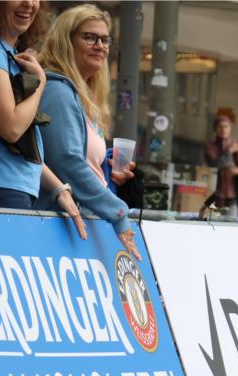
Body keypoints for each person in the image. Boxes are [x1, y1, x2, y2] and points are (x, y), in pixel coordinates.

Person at [0, 0, 82, 232]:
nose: (29, 4)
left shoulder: (8, 53)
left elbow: (22, 146)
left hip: (12, 190)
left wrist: (59, 189)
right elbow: (12, 128)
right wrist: (40, 83)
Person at [37, 4, 141, 259]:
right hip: (57, 225)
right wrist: (117, 211)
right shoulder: (58, 92)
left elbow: (78, 156)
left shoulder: (80, 94)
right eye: (90, 37)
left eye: (105, 40)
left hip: (76, 223)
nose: (101, 46)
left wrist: (106, 165)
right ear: (66, 42)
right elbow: (67, 161)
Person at [204, 115, 238, 217]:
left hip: (234, 197)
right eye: (220, 127)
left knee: (231, 225)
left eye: (226, 127)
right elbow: (214, 166)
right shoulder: (210, 147)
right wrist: (229, 152)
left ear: (230, 128)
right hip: (214, 196)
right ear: (215, 129)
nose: (223, 130)